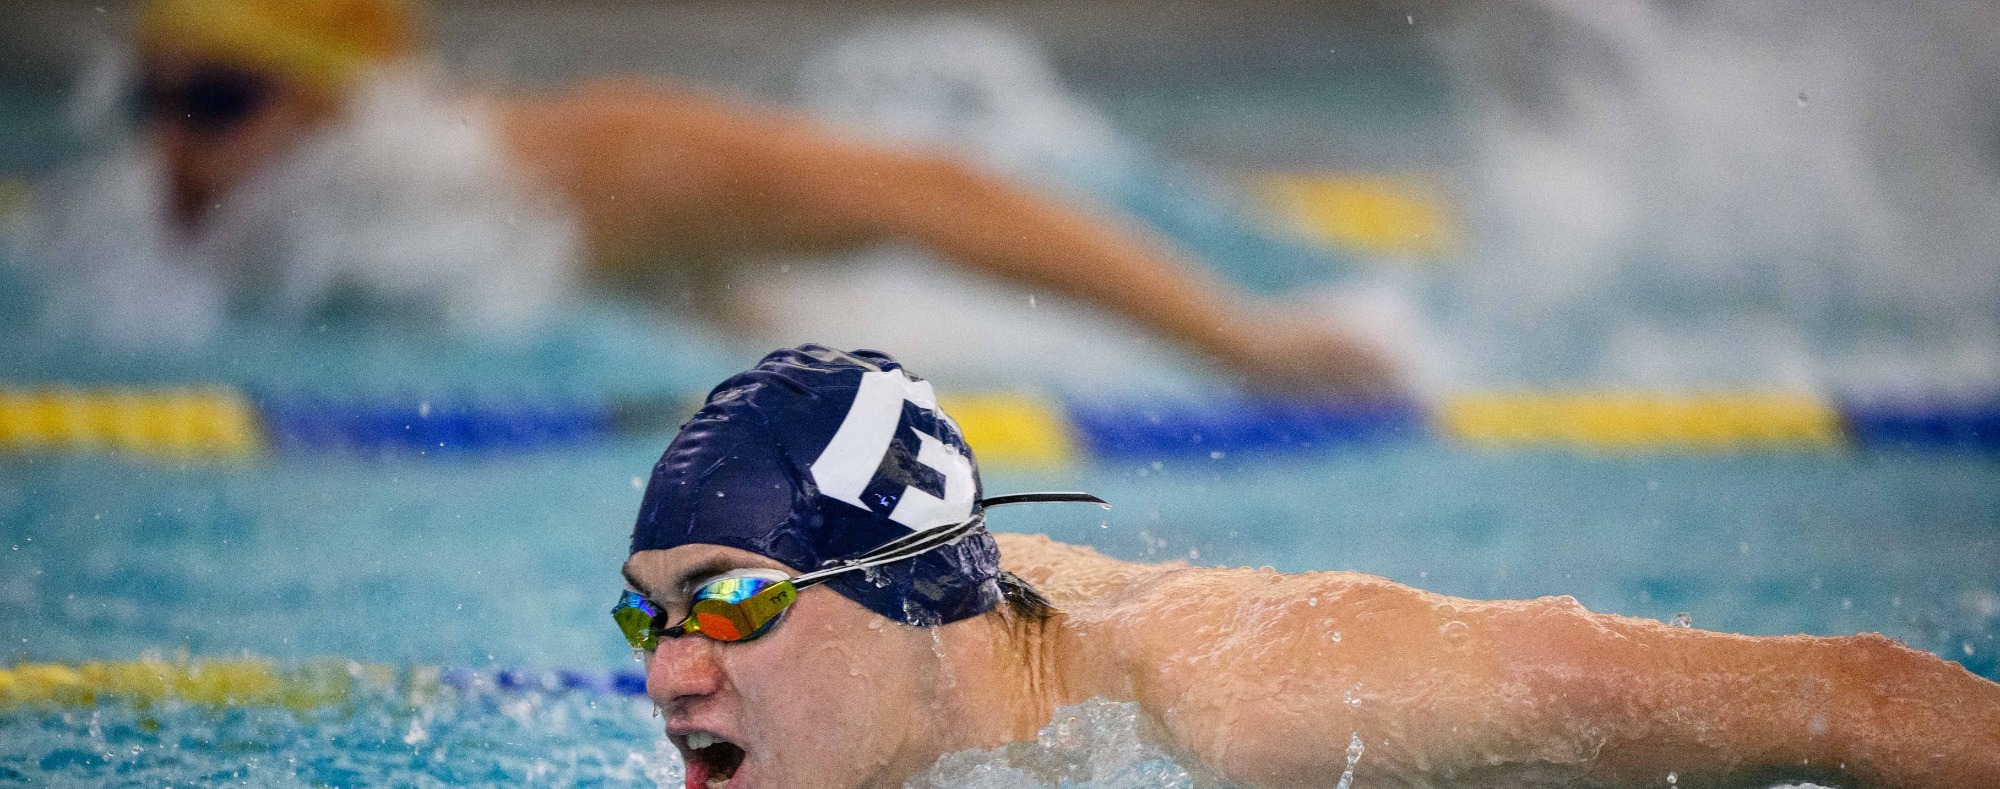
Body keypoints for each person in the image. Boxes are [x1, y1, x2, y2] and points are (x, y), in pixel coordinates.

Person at [620, 345, 2000, 789]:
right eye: (653, 614)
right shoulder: (924, 689)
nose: (671, 675)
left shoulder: (1250, 699)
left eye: (732, 601)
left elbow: (1848, 693)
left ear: (911, 585)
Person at [79, 0, 1393, 393]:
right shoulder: (174, 244)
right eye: (155, 107)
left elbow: (929, 190)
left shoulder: (576, 176)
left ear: (342, 104)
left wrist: (1246, 343)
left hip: (993, 305)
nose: (174, 160)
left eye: (219, 105)